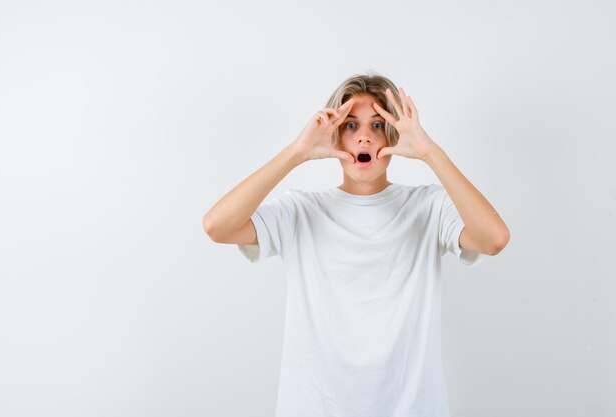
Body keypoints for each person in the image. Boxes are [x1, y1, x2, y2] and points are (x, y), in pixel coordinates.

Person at [203, 73, 510, 417]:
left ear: (395, 134)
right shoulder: (302, 211)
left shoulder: (428, 208)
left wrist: (429, 152)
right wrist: (296, 152)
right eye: (350, 126)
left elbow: (494, 238)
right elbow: (218, 226)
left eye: (378, 125)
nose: (364, 136)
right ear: (334, 134)